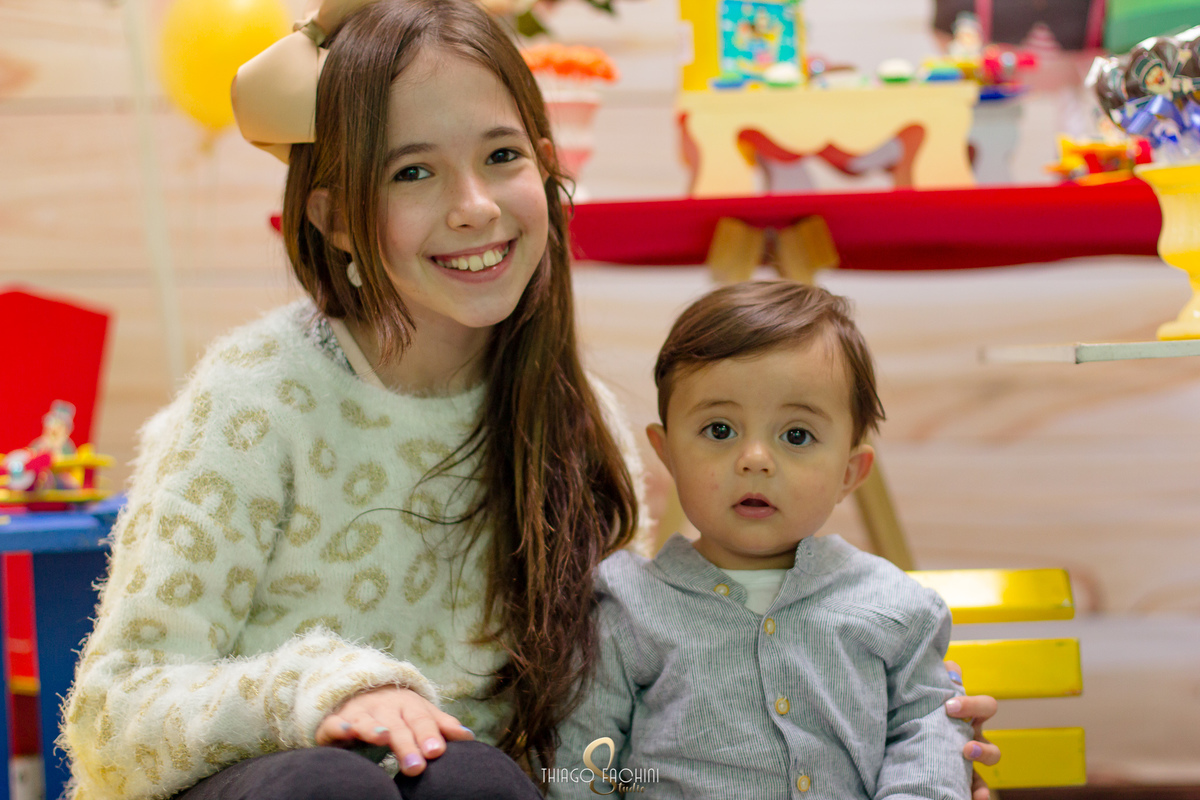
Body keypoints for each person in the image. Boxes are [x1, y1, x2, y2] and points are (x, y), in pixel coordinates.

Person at [58, 2, 999, 799]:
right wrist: (329, 694)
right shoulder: (253, 403)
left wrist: (889, 736)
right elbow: (112, 711)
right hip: (276, 785)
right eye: (412, 171)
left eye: (501, 156)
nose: (474, 205)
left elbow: (612, 714)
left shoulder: (575, 427)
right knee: (336, 785)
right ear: (335, 215)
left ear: (546, 168)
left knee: (479, 781)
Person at [550, 281, 983, 800]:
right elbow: (579, 762)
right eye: (719, 430)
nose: (755, 459)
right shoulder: (626, 607)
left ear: (849, 473)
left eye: (796, 435)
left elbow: (929, 734)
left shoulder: (893, 606)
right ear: (667, 454)